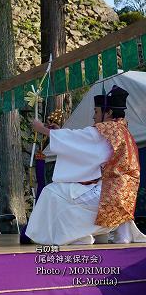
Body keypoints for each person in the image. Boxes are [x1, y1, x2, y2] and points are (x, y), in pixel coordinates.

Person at [26, 86, 146, 245]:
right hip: (124, 193)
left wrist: (42, 129)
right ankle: (113, 231)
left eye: (96, 112)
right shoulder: (123, 130)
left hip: (108, 192)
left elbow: (79, 140)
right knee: (67, 193)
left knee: (53, 192)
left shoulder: (108, 128)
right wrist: (59, 133)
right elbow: (84, 144)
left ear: (108, 113)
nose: (94, 116)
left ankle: (76, 235)